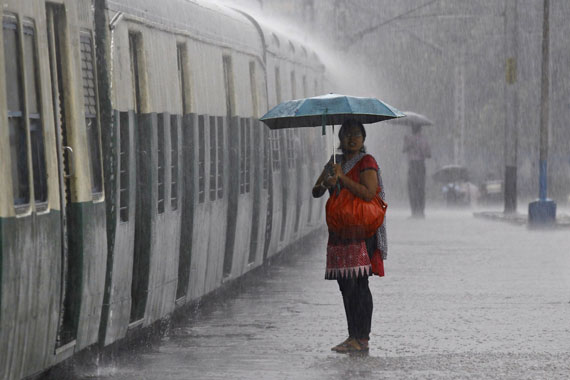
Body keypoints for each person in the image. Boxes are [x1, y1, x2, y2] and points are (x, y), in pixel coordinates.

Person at [312, 118, 387, 353]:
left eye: (356, 134)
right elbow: (316, 191)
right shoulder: (334, 162)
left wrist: (343, 179)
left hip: (361, 230)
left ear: (363, 139)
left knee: (359, 283)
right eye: (346, 134)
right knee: (345, 284)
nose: (351, 139)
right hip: (340, 232)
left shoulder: (367, 162)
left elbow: (368, 193)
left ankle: (362, 337)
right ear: (340, 138)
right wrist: (327, 180)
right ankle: (351, 335)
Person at [403, 125, 431, 217]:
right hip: (419, 165)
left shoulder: (412, 139)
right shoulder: (423, 140)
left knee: (414, 188)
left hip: (414, 164)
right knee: (419, 188)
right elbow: (428, 154)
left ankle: (416, 211)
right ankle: (419, 211)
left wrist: (412, 145)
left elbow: (404, 150)